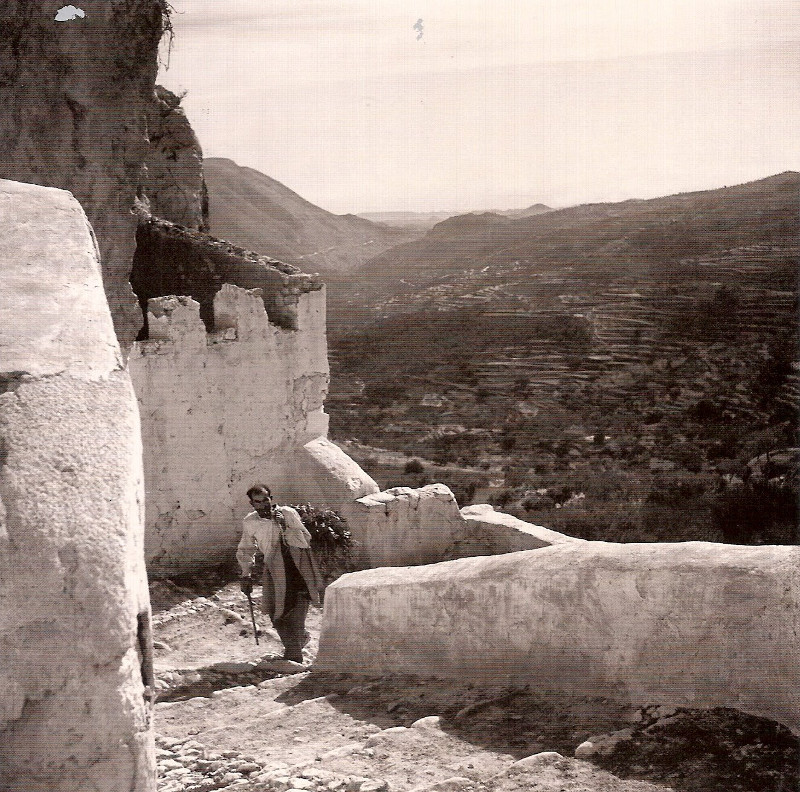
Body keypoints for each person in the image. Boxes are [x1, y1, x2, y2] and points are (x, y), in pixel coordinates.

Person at [237, 485, 324, 663]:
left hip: (298, 567)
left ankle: (293, 656)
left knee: (296, 613)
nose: (263, 505)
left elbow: (305, 539)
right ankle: (298, 643)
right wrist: (246, 573)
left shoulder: (288, 513)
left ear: (271, 498)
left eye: (266, 500)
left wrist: (284, 525)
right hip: (274, 570)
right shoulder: (250, 522)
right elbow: (246, 548)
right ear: (252, 504)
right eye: (258, 502)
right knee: (276, 614)